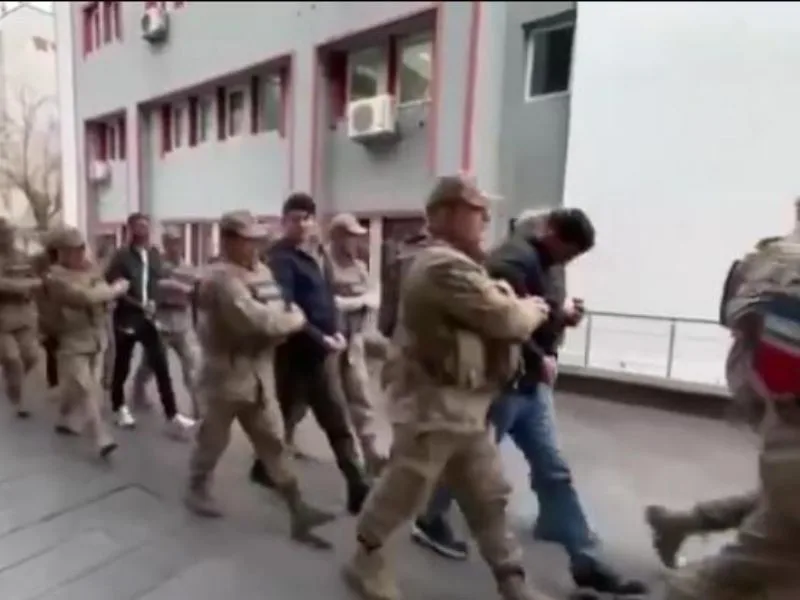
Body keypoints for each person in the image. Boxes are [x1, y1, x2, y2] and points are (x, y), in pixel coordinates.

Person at [344, 175, 555, 600]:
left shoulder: (464, 264)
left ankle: (512, 580)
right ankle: (366, 561)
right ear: (444, 214)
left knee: (488, 496)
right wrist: (533, 308)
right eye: (476, 210)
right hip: (432, 407)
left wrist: (513, 304)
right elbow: (506, 319)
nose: (486, 218)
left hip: (466, 406)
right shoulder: (441, 265)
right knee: (403, 491)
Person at [474, 207, 646, 598]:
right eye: (568, 251)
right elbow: (501, 322)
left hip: (532, 388)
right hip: (502, 385)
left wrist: (562, 319)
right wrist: (539, 356)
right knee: (468, 469)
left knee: (553, 470)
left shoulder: (551, 265)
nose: (569, 260)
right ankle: (423, 516)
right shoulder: (510, 262)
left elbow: (541, 315)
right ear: (548, 231)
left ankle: (585, 560)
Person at [663, 200, 800, 600]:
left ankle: (682, 530)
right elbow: (785, 361)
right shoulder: (790, 265)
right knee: (756, 563)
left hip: (782, 424)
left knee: (760, 554)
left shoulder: (773, 258)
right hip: (792, 426)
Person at [185, 210, 336, 549]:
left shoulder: (262, 272)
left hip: (259, 374)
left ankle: (298, 509)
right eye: (247, 240)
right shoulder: (220, 280)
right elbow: (259, 321)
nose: (254, 247)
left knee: (274, 441)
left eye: (257, 240)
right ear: (228, 241)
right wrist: (295, 320)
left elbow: (275, 313)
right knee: (213, 440)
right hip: (225, 376)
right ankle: (197, 488)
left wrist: (283, 321)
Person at [250, 193, 370, 515]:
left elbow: (329, 298)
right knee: (292, 416)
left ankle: (357, 485)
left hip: (322, 354)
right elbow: (286, 308)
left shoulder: (317, 254)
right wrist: (321, 338)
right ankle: (266, 466)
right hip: (295, 354)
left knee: (332, 419)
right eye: (295, 218)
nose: (302, 224)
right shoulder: (280, 259)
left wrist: (338, 331)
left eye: (306, 218)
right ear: (284, 221)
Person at [105, 212, 195, 438]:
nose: (143, 230)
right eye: (138, 226)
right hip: (127, 316)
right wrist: (134, 301)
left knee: (161, 365)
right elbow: (113, 284)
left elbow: (155, 282)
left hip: (149, 317)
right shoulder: (122, 256)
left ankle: (172, 414)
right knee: (122, 363)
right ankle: (119, 407)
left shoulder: (154, 255)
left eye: (146, 226)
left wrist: (153, 300)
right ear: (130, 229)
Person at [45, 227, 129, 456]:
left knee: (78, 390)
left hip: (94, 338)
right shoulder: (54, 277)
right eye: (73, 250)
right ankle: (101, 437)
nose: (79, 253)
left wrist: (106, 296)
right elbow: (84, 297)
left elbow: (100, 293)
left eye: (81, 248)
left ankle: (64, 418)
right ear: (60, 252)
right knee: (86, 389)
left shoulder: (90, 270)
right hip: (70, 340)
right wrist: (114, 290)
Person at [326, 212, 386, 475]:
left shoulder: (359, 266)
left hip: (353, 342)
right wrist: (358, 301)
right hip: (328, 343)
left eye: (357, 237)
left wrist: (355, 301)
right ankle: (282, 442)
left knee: (360, 395)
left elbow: (374, 297)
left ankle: (370, 453)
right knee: (313, 400)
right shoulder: (323, 263)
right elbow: (329, 303)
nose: (355, 242)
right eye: (351, 236)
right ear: (338, 236)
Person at [131, 226, 201, 418]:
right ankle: (138, 392)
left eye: (177, 242)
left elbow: (196, 292)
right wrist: (176, 286)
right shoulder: (155, 264)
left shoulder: (188, 267)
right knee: (150, 363)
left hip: (182, 322)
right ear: (164, 243)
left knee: (191, 368)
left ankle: (198, 408)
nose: (174, 246)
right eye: (170, 242)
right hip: (161, 321)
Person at [0, 217, 42, 418]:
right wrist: (24, 286)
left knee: (31, 356)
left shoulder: (22, 257)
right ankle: (17, 398)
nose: (7, 237)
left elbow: (37, 280)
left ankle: (13, 379)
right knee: (12, 357)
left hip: (24, 314)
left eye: (9, 233)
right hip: (2, 317)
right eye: (3, 234)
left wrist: (29, 284)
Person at [32, 228, 63, 390]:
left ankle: (58, 381)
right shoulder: (38, 260)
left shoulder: (65, 257)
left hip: (63, 307)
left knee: (61, 347)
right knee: (52, 347)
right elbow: (35, 282)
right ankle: (54, 382)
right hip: (46, 308)